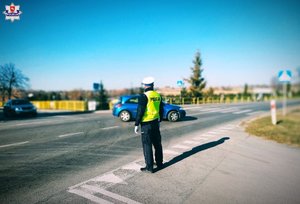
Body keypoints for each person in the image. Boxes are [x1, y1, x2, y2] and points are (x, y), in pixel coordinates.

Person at [134, 76, 164, 173]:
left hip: (146, 124)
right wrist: (159, 120)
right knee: (157, 144)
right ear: (152, 85)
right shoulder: (158, 95)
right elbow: (161, 109)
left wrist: (136, 124)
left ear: (145, 86)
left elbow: (140, 111)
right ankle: (159, 163)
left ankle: (149, 167)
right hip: (155, 122)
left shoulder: (144, 96)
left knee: (147, 145)